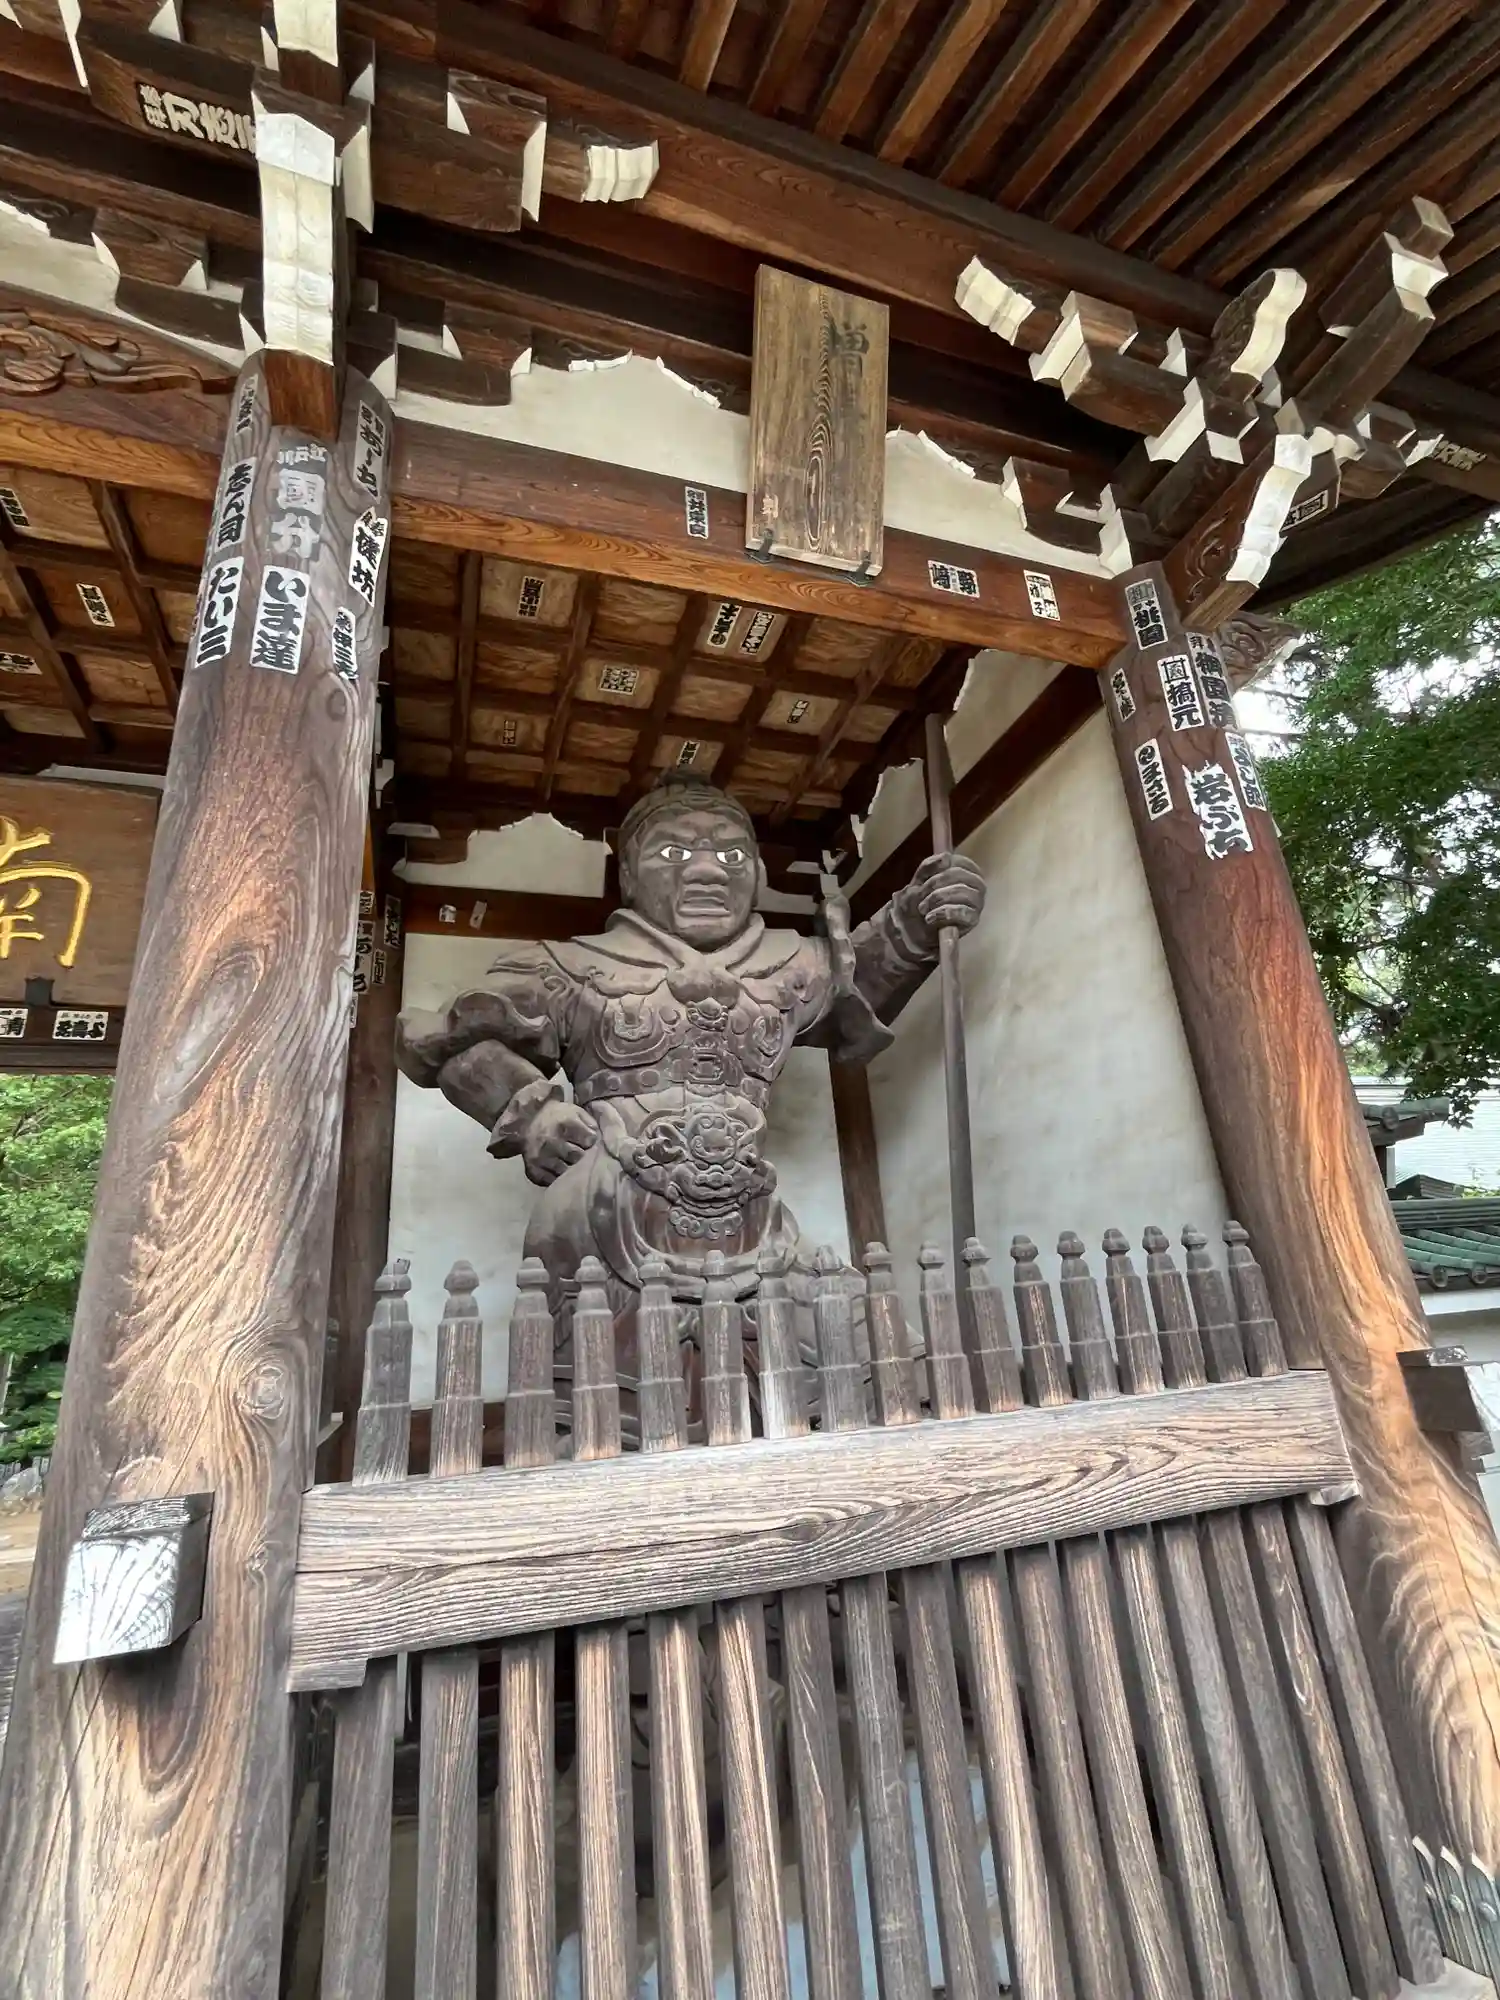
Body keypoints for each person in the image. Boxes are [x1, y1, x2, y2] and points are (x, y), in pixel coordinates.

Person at [396, 773, 984, 1409]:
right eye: (673, 851)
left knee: (878, 1365)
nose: (707, 871)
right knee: (618, 1408)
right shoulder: (571, 965)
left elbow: (860, 983)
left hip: (750, 1210)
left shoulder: (790, 965)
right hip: (607, 1210)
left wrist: (917, 920)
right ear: (628, 876)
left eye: (731, 854)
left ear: (758, 872)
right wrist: (534, 1115)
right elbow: (444, 1042)